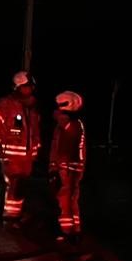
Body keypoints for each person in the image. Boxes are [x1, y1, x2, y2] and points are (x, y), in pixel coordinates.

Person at [0, 73, 42, 223]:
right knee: (9, 186)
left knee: (20, 187)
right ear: (18, 87)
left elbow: (35, 131)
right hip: (9, 155)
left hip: (26, 157)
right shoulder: (5, 104)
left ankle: (14, 216)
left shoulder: (32, 108)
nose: (30, 89)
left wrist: (36, 150)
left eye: (31, 87)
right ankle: (6, 216)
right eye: (27, 86)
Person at [50, 92, 86, 238]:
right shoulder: (77, 124)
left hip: (67, 167)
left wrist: (55, 167)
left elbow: (60, 148)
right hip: (74, 167)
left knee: (64, 199)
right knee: (71, 199)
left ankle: (66, 231)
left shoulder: (70, 124)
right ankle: (75, 229)